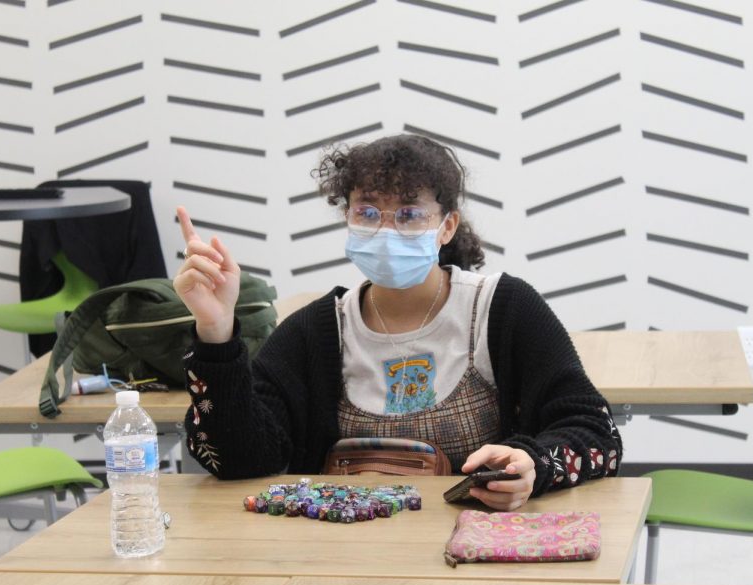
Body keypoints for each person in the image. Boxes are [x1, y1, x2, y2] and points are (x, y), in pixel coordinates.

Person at [175, 134, 621, 510]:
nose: (386, 230)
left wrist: (533, 465)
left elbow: (596, 432)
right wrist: (216, 331)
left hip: (470, 558)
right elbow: (237, 461)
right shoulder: (315, 331)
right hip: (341, 565)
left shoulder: (501, 309)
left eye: (409, 214)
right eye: (367, 212)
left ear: (446, 227)